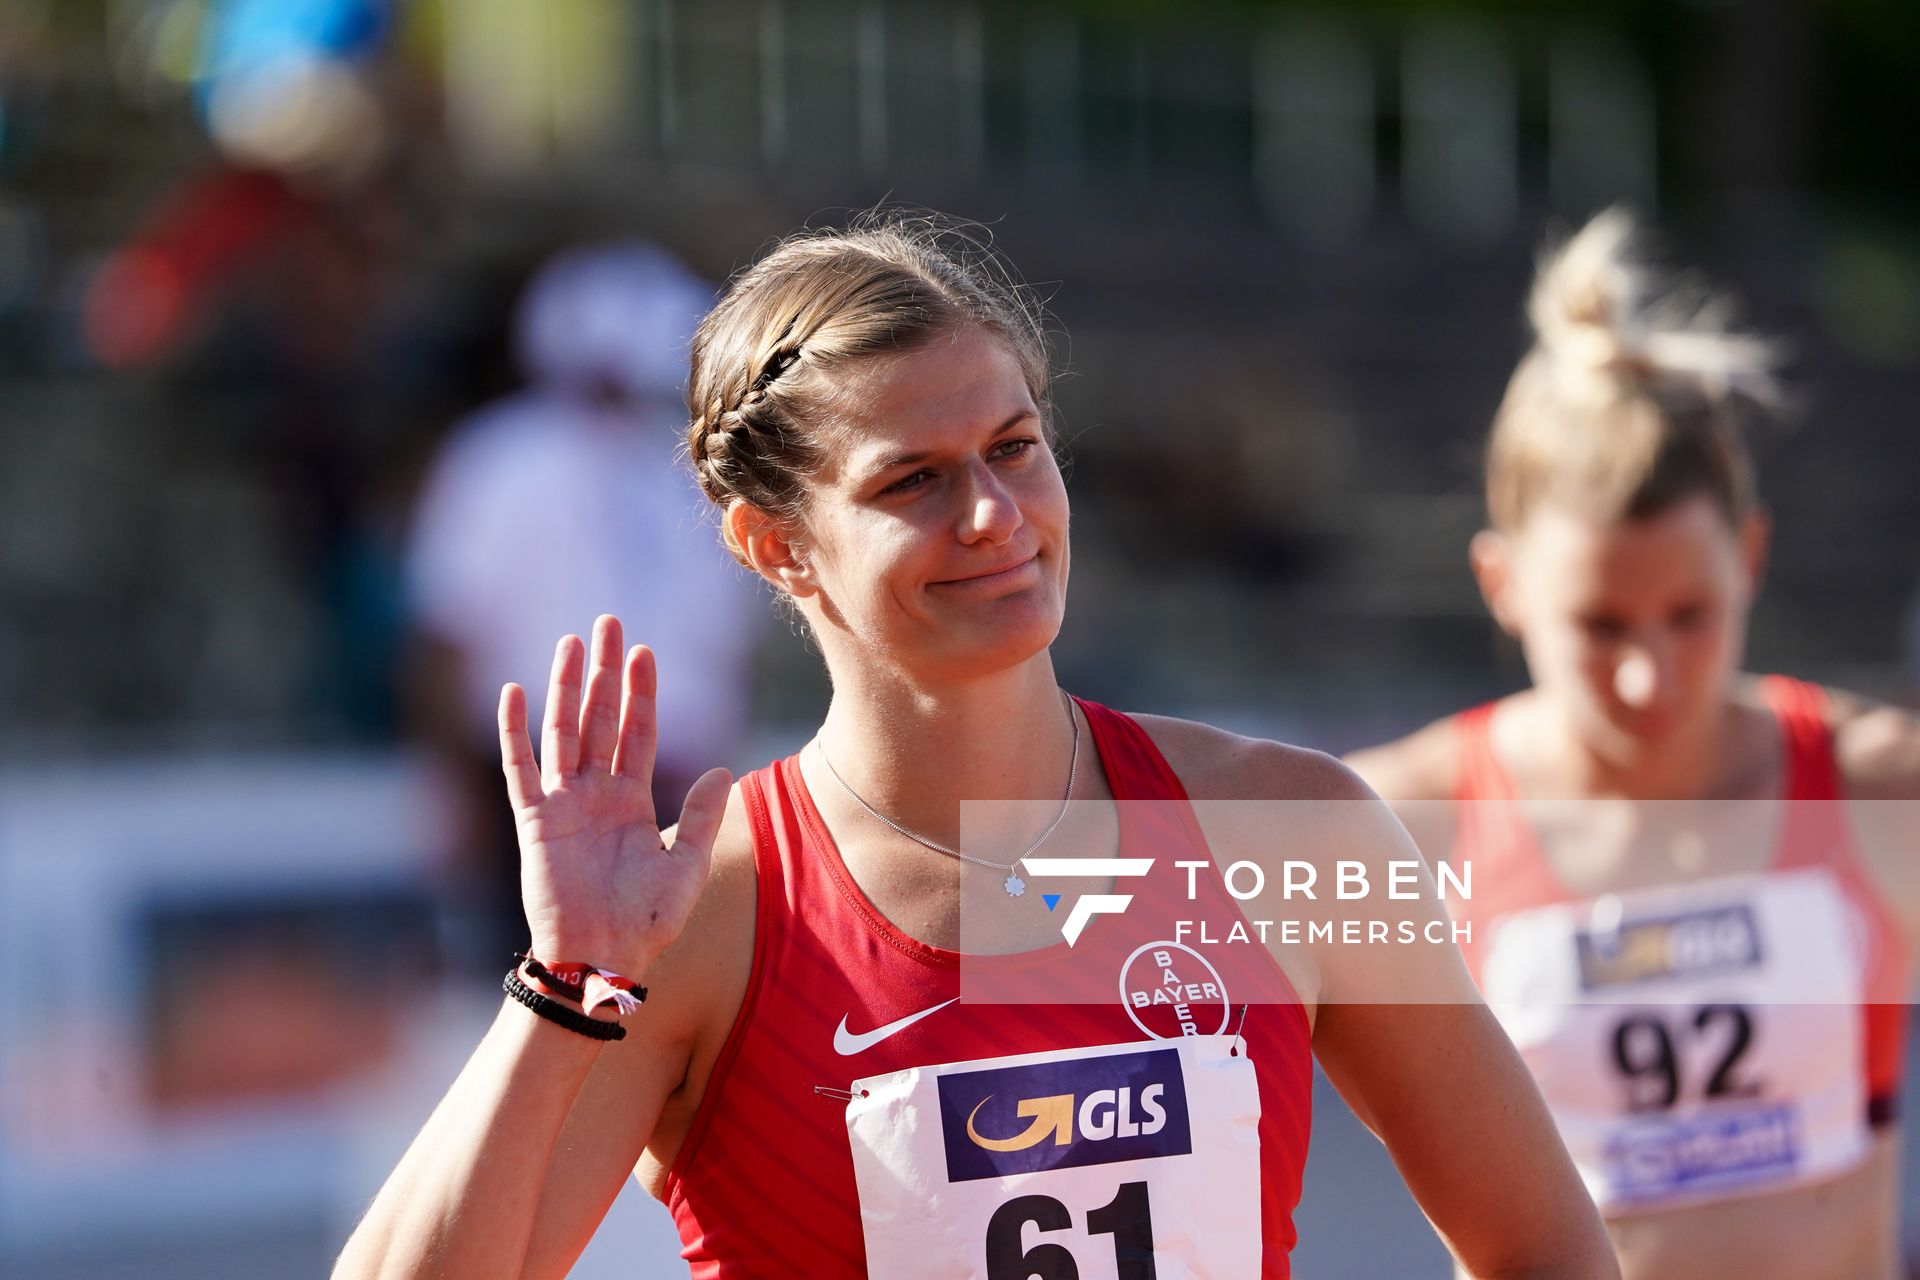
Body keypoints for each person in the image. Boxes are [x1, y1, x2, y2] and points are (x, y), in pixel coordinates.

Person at [335, 214, 1615, 1279]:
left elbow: (1550, 1251)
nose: (994, 515)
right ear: (773, 544)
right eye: (914, 481)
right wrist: (569, 983)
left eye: (1014, 448)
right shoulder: (711, 912)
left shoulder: (1292, 825)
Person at [1346, 209, 1920, 1280]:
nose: (1650, 674)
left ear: (1750, 556)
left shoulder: (1880, 785)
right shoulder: (1391, 824)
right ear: (1501, 583)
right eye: (1602, 625)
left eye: (1690, 614)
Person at [402, 242, 760, 964]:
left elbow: (715, 645)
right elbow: (446, 634)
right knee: (544, 980)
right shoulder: (502, 459)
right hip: (538, 775)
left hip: (674, 774)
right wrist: (449, 786)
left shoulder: (688, 471)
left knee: (668, 987)